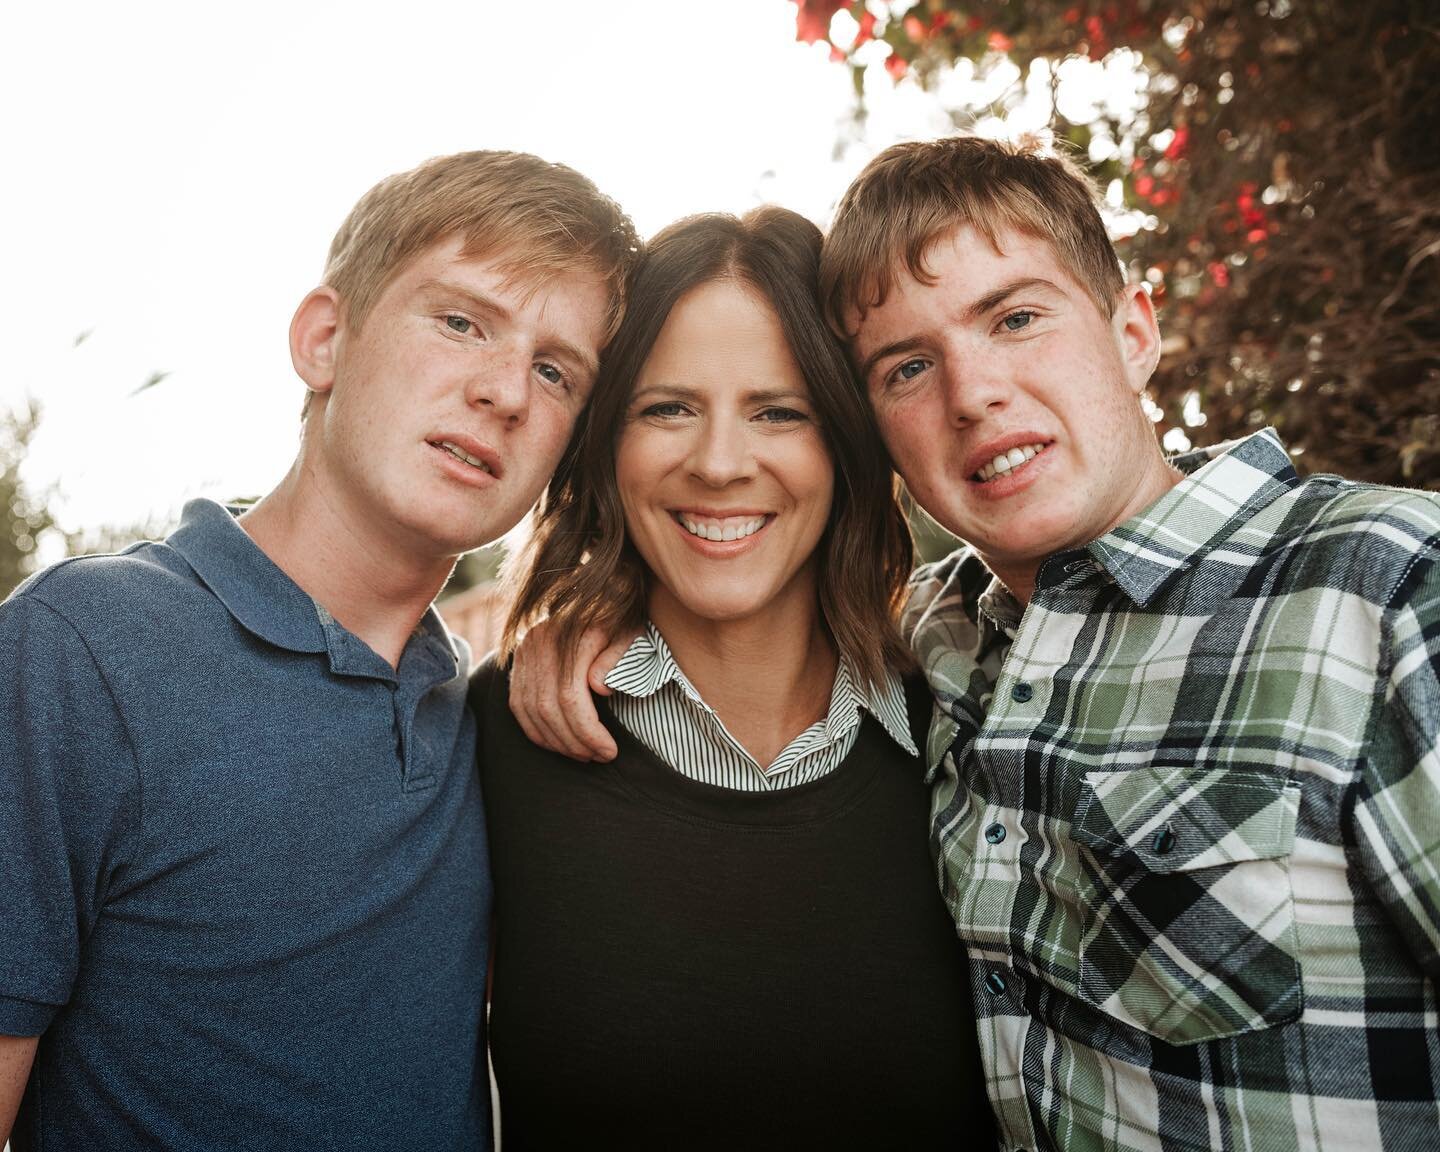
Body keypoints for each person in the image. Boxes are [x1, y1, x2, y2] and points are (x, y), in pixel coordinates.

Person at [512, 136, 1440, 1150]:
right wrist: (594, 617)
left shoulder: (1387, 588)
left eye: (1017, 318)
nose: (972, 392)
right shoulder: (941, 636)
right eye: (908, 366)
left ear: (1135, 331)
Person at [0, 149, 639, 1151]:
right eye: (462, 321)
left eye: (556, 371)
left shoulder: (484, 716)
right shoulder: (82, 649)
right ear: (325, 339)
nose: (507, 391)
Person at [471, 207, 989, 1149]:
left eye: (778, 411)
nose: (717, 463)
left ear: (846, 444)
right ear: (604, 445)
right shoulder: (495, 739)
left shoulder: (968, 723)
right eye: (666, 408)